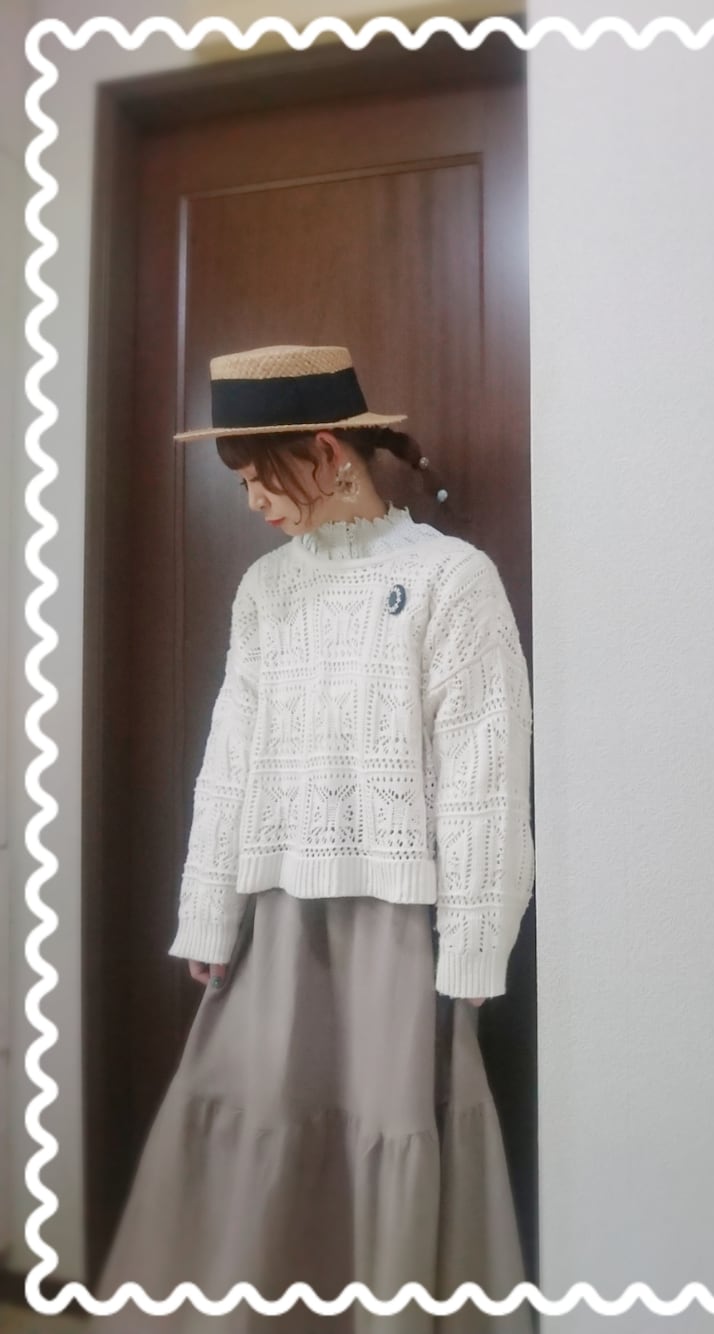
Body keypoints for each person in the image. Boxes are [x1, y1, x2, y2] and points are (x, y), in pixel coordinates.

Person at [94, 345, 536, 1333]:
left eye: (259, 476)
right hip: (272, 921)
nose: (252, 500)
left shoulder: (451, 579)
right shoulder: (265, 590)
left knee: (388, 1129)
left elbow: (485, 769)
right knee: (249, 1118)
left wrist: (476, 941)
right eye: (243, 483)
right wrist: (207, 911)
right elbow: (230, 759)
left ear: (329, 451)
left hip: (397, 929)